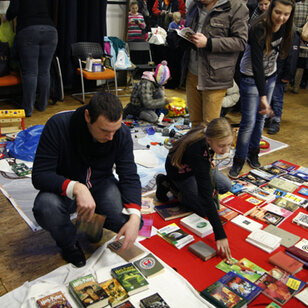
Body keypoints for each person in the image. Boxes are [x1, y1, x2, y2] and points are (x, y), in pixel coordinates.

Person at [32, 92, 142, 267]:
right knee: (46, 207)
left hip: (100, 183)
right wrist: (77, 187)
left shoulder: (120, 133)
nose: (111, 137)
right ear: (87, 116)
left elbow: (129, 175)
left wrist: (135, 216)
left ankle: (90, 224)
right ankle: (69, 244)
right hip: (65, 187)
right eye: (105, 130)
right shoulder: (59, 125)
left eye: (115, 130)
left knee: (128, 221)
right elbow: (40, 175)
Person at [229, 0, 296, 179]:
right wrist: (264, 96)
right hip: (251, 76)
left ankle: (253, 154)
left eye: (286, 14)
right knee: (248, 122)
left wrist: (276, 81)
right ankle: (238, 160)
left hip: (271, 76)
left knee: (260, 119)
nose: (281, 18)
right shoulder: (258, 27)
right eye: (278, 12)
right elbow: (257, 65)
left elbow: (282, 56)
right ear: (271, 10)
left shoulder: (287, 27)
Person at [156, 118, 234, 259]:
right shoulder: (197, 149)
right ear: (209, 140)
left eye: (229, 145)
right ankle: (167, 184)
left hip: (198, 165)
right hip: (181, 173)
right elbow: (205, 197)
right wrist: (220, 234)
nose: (226, 150)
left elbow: (206, 164)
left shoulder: (208, 136)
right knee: (204, 208)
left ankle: (188, 187)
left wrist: (210, 159)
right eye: (222, 146)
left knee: (226, 186)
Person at [182, 0, 249, 127]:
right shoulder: (194, 5)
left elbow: (240, 42)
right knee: (195, 122)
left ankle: (207, 147)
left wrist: (209, 43)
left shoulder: (236, 7)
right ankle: (196, 147)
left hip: (215, 76)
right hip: (192, 71)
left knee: (209, 125)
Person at [5, 0, 58, 117]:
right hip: (50, 30)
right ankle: (42, 105)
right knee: (45, 71)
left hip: (28, 30)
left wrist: (6, 17)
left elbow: (12, 11)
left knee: (30, 72)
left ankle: (28, 109)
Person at [292, 0, 308, 93]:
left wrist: (298, 30)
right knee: (301, 64)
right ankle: (296, 87)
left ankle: (286, 84)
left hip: (294, 36)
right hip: (306, 38)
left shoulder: (294, 5)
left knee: (292, 60)